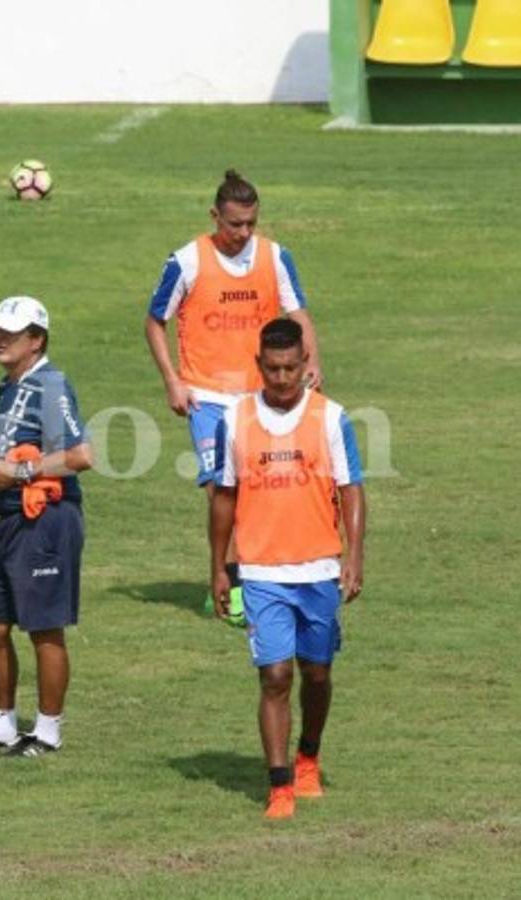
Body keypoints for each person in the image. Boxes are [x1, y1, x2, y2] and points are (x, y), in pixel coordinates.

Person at [144, 170, 323, 611]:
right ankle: (228, 584)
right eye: (234, 224)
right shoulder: (186, 260)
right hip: (206, 396)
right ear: (214, 217)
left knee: (260, 487)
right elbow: (154, 321)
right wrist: (173, 380)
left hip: (262, 396)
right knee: (221, 490)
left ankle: (251, 581)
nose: (243, 233)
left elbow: (297, 312)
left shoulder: (275, 257)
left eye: (250, 224)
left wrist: (313, 360)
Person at [209, 318, 365, 820]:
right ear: (259, 366)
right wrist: (219, 567)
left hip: (319, 568)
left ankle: (309, 756)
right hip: (262, 571)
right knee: (275, 675)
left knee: (316, 674)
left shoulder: (330, 417)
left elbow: (351, 489)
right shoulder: (234, 420)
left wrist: (354, 555)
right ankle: (279, 786)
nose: (281, 378)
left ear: (305, 365)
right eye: (272, 369)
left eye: (290, 368)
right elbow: (224, 497)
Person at [0, 296, 93, 757]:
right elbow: (7, 458)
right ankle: (1, 727)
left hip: (46, 520)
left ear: (37, 340)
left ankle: (47, 733)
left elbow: (79, 456)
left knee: (44, 628)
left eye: (12, 333)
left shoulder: (50, 386)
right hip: (9, 520)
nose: (0, 338)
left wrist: (23, 474)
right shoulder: (9, 386)